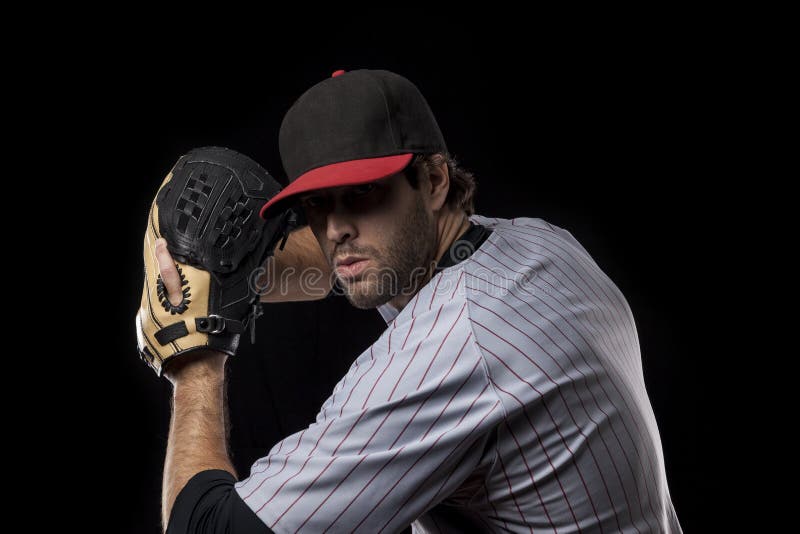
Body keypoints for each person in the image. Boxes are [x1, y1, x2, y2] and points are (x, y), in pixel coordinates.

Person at [157, 69, 682, 533]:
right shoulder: (542, 242)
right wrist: (223, 275)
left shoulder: (457, 348)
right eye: (316, 205)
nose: (337, 230)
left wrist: (194, 356)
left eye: (362, 193)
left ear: (432, 180)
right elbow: (351, 262)